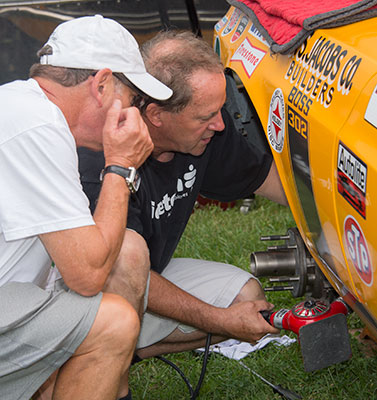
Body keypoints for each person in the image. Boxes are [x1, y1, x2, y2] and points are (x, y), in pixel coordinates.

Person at [78, 30, 286, 362]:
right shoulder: (100, 153)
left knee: (246, 299)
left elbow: (271, 182)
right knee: (130, 256)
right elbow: (125, 269)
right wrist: (221, 322)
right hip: (80, 289)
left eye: (219, 110)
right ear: (156, 115)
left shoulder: (206, 129)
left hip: (145, 274)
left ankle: (130, 347)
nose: (220, 125)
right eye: (206, 117)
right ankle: (102, 352)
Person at [0, 15, 173, 400]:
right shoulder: (37, 126)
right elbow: (88, 274)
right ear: (102, 84)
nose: (138, 114)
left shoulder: (25, 109)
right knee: (112, 323)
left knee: (126, 250)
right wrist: (120, 167)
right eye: (135, 100)